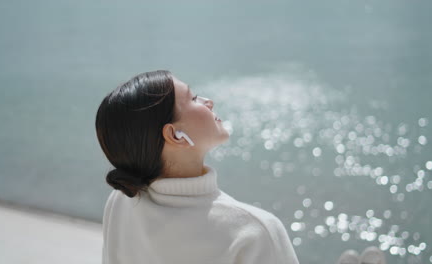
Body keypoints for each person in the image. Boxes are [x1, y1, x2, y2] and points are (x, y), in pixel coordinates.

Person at [95, 70, 299, 264]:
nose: (209, 102)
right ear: (175, 135)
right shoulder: (253, 231)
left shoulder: (123, 202)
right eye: (193, 99)